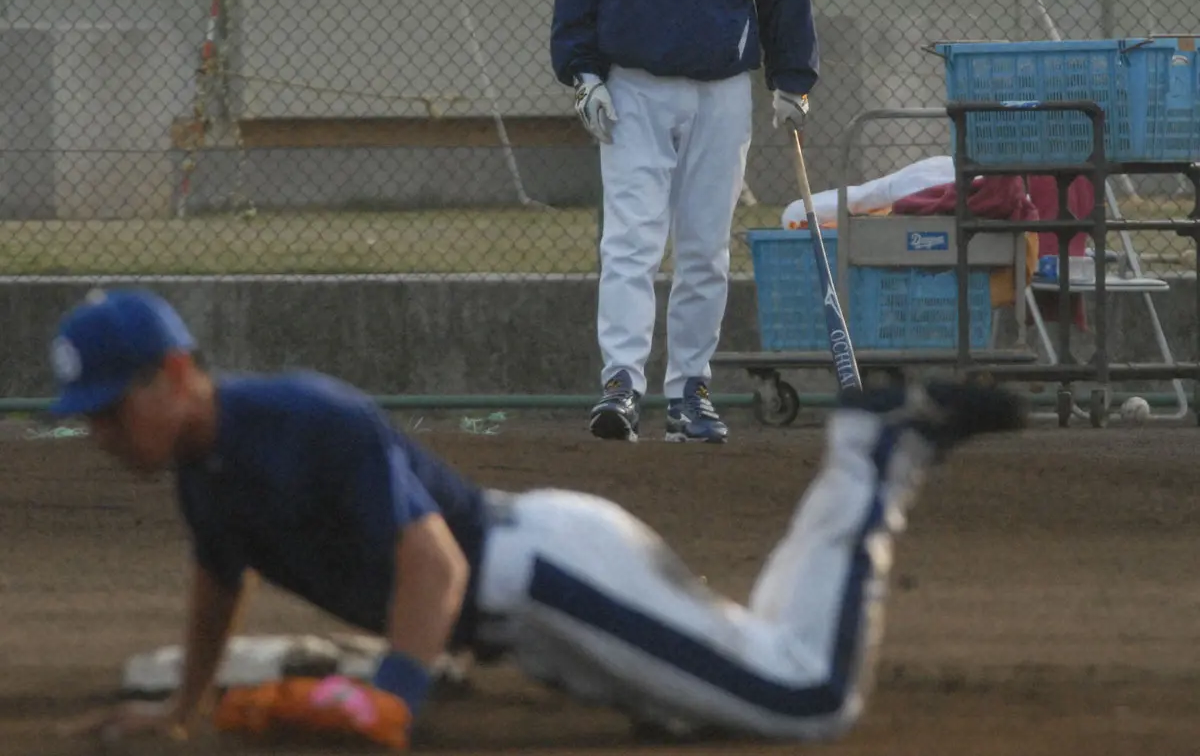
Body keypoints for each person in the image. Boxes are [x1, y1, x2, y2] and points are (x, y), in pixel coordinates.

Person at [51, 288, 1025, 750]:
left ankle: (875, 446)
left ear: (173, 375)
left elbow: (433, 563)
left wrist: (394, 696)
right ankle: (858, 465)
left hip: (550, 571)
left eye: (108, 408)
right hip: (532, 619)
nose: (99, 433)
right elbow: (219, 581)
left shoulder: (303, 416)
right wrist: (181, 711)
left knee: (808, 702)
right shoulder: (202, 471)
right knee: (722, 699)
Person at [550, 0, 820, 444]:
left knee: (705, 248)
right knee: (631, 242)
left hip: (722, 90)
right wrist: (582, 74)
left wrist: (792, 78)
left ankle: (690, 391)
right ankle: (621, 384)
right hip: (632, 90)